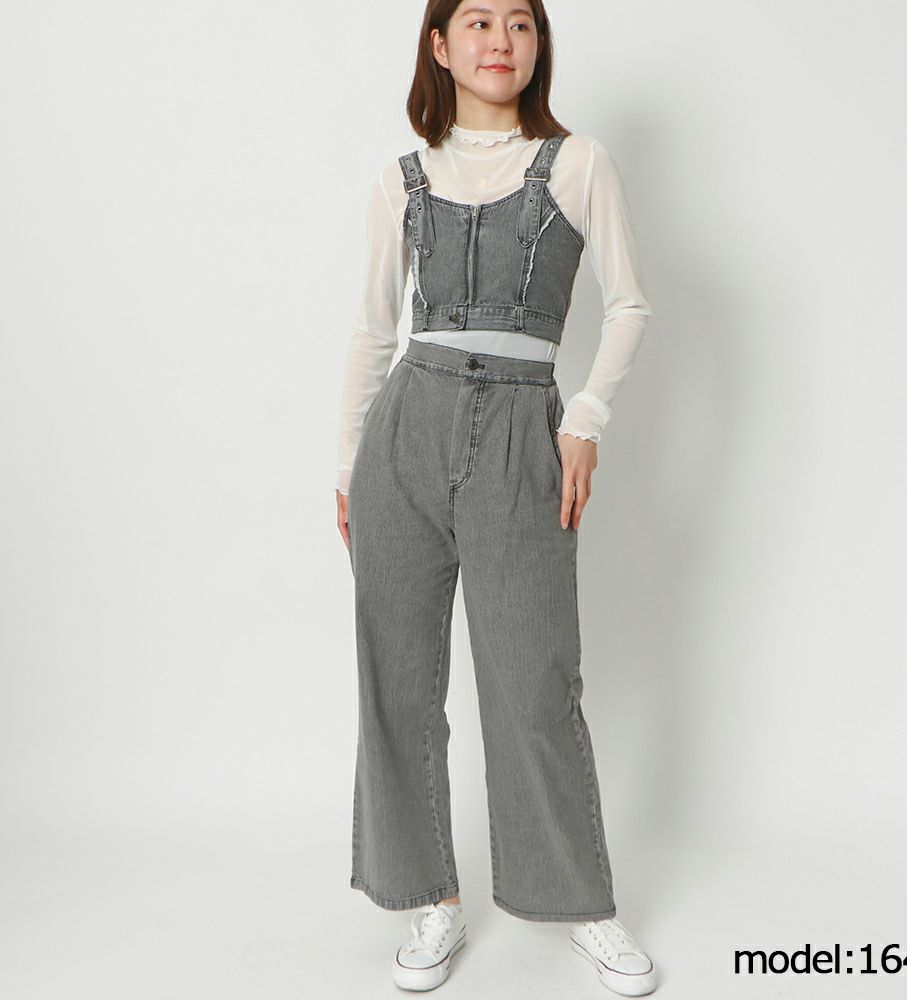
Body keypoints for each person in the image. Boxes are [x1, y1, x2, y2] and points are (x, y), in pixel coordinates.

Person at [335, 0, 656, 993]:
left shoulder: (577, 163)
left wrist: (585, 418)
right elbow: (373, 330)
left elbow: (630, 304)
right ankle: (429, 897)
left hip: (523, 428)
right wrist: (347, 466)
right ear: (441, 46)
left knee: (533, 681)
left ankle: (580, 902)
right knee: (397, 681)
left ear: (537, 44)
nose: (499, 41)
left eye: (518, 22)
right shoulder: (400, 179)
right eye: (477, 22)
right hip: (407, 430)